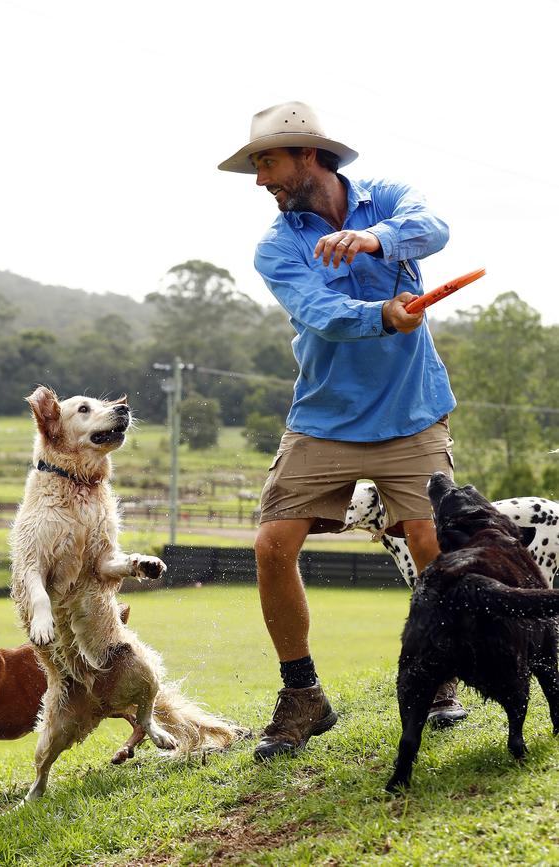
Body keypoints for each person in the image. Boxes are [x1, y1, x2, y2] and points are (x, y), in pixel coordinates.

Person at [218, 101, 464, 761]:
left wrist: (376, 240)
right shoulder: (277, 244)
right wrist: (383, 314)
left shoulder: (386, 197)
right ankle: (303, 694)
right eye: (256, 165)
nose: (260, 177)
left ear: (309, 155)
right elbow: (319, 311)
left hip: (412, 408)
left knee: (431, 539)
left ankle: (439, 672)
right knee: (272, 543)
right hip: (324, 416)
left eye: (267, 161)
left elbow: (433, 226)